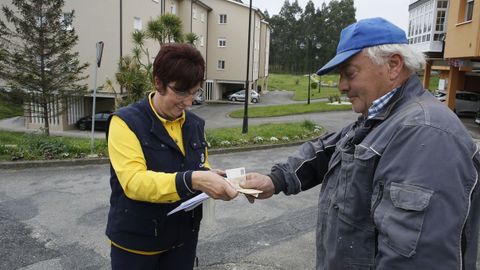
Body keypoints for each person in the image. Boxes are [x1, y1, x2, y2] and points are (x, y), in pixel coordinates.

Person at [241, 17, 480, 269]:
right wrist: (275, 180)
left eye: (350, 74)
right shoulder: (381, 118)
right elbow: (327, 149)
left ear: (393, 65)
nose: (342, 86)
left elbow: (413, 259)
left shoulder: (426, 133)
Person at [106, 43, 238, 270]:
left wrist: (211, 177)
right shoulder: (125, 122)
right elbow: (134, 182)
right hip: (137, 246)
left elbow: (199, 163)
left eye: (195, 92)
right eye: (181, 91)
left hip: (183, 242)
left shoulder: (195, 124)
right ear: (158, 83)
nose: (188, 102)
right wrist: (193, 179)